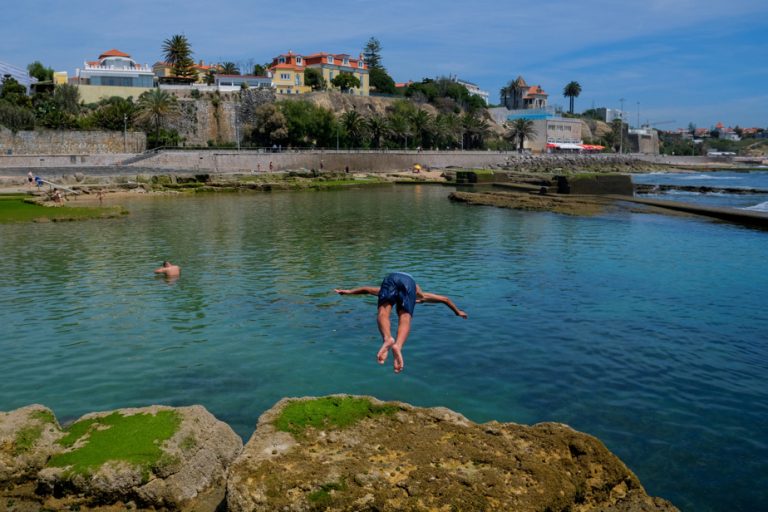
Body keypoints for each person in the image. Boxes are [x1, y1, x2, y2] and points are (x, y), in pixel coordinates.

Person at [334, 272, 467, 373]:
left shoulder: (384, 291)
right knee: (405, 317)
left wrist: (348, 292)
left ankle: (387, 338)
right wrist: (457, 312)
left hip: (391, 278)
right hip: (409, 282)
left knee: (383, 313)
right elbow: (445, 299)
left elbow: (366, 289)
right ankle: (398, 345)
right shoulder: (420, 295)